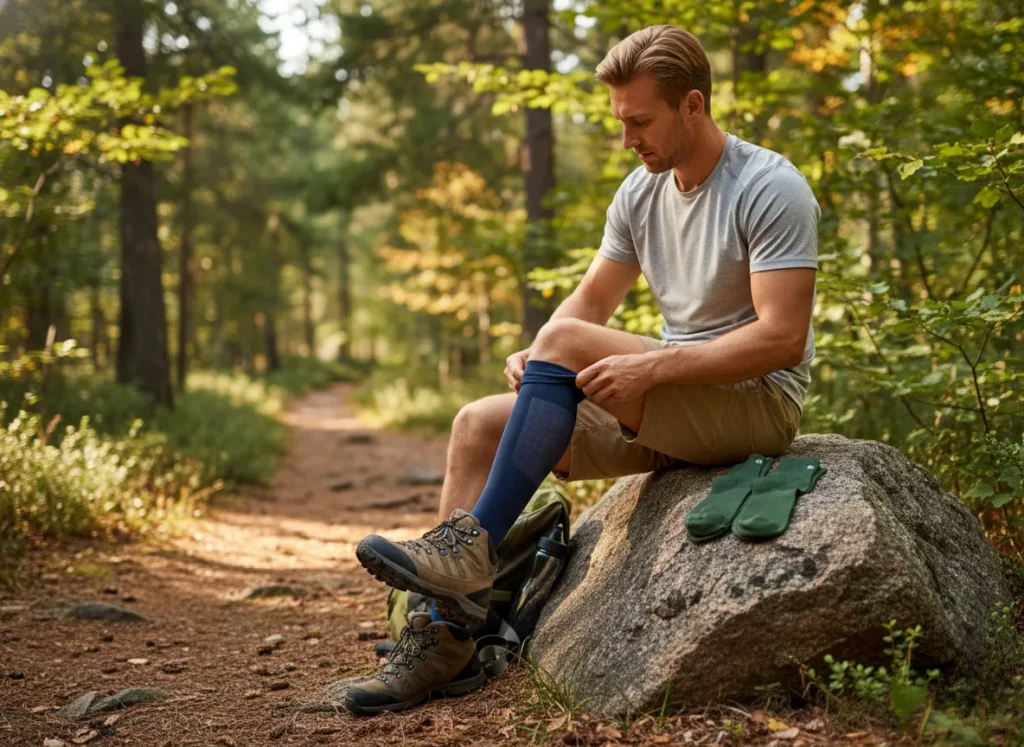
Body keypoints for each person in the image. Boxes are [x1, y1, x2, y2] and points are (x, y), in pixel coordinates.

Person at [343, 23, 820, 716]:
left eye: (640, 121)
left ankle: (471, 550)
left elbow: (781, 338)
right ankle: (443, 642)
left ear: (693, 105)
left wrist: (645, 368)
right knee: (476, 423)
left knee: (563, 341)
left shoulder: (770, 186)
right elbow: (593, 299)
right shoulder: (640, 192)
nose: (628, 138)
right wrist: (541, 357)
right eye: (620, 121)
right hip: (673, 398)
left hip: (754, 402)